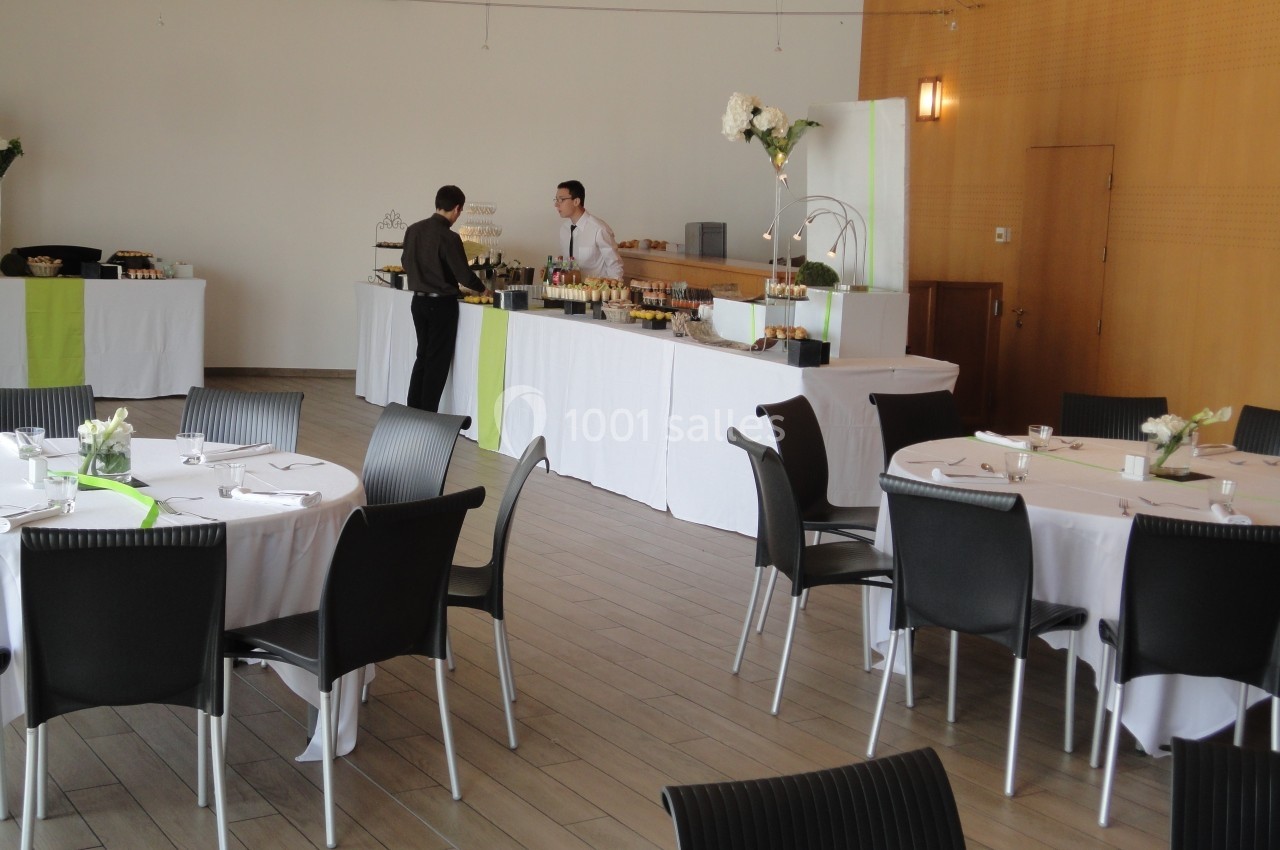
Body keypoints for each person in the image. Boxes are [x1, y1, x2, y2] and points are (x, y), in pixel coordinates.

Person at [401, 184, 489, 412]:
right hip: (441, 305)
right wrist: (483, 289)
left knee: (423, 355)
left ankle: (413, 410)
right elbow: (463, 274)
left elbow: (405, 263)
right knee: (437, 361)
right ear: (457, 208)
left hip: (418, 301)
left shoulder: (413, 230)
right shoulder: (449, 237)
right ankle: (428, 413)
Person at [554, 180, 624, 279]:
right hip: (570, 290)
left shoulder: (599, 228)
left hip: (594, 291)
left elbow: (615, 266)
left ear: (576, 201)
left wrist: (611, 290)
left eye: (561, 200)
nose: (556, 205)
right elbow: (567, 264)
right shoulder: (564, 229)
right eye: (556, 200)